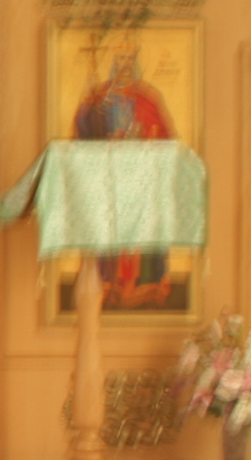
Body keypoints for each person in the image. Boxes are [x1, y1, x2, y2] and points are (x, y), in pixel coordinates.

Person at [72, 44, 177, 305]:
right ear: (114, 63)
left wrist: (149, 141)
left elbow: (166, 137)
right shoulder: (99, 96)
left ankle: (147, 284)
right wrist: (90, 111)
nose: (126, 65)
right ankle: (107, 284)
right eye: (121, 60)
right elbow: (82, 130)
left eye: (131, 60)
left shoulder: (148, 98)